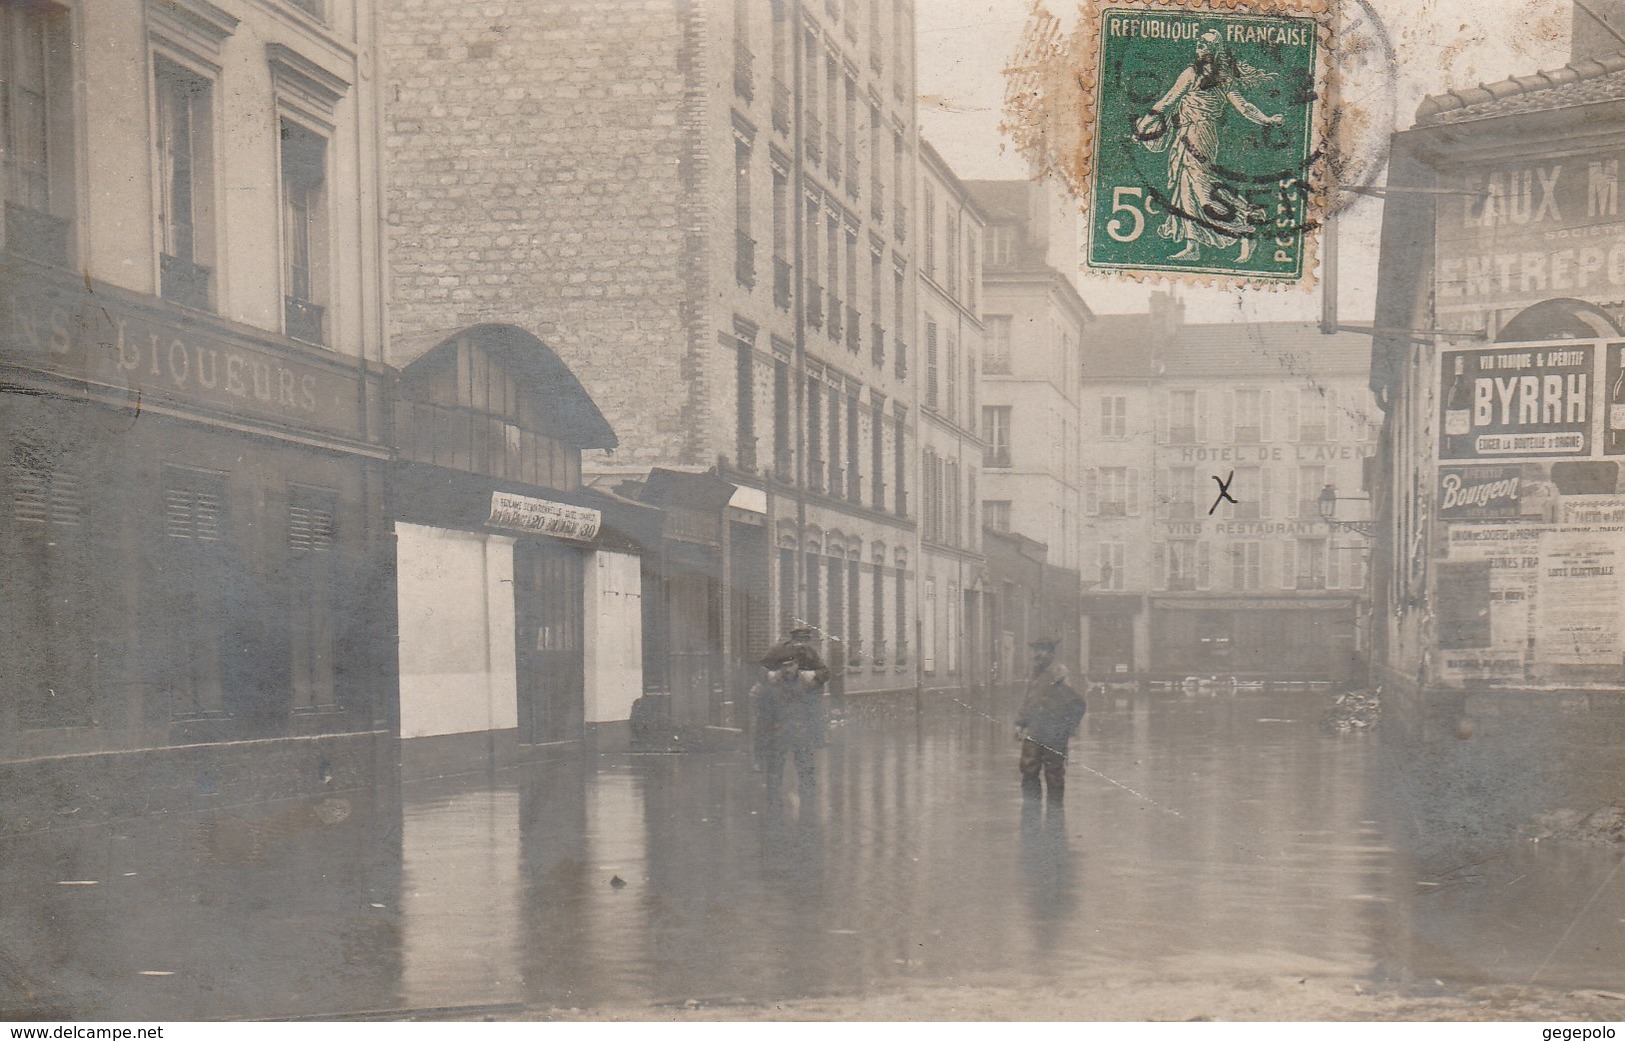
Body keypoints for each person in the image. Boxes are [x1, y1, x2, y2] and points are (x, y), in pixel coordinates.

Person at [1134, 29, 1285, 263]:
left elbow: (1242, 107)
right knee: (1185, 187)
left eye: (1205, 44)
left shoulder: (1215, 77)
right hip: (1187, 132)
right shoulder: (1196, 74)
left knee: (1202, 187)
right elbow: (1169, 102)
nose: (1199, 46)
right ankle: (1192, 245)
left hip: (1199, 135)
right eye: (1199, 42)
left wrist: (1266, 119)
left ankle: (1247, 224)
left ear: (1215, 50)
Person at [754, 624, 831, 797]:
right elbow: (761, 669)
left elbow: (825, 672)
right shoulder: (778, 651)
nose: (801, 645)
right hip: (779, 708)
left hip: (801, 707)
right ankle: (766, 776)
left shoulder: (811, 654)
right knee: (774, 752)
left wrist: (813, 676)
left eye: (805, 640)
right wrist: (769, 676)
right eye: (799, 640)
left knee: (804, 754)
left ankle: (808, 791)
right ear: (792, 639)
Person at [1014, 637, 1086, 802]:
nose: (1036, 655)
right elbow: (1028, 700)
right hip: (1034, 732)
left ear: (1051, 653)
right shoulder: (1034, 674)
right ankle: (1031, 817)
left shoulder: (1059, 675)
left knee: (1054, 776)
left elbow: (1077, 705)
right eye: (1035, 651)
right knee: (1028, 771)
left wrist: (1066, 729)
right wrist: (1020, 723)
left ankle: (1055, 821)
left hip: (1054, 735)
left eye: (1041, 650)